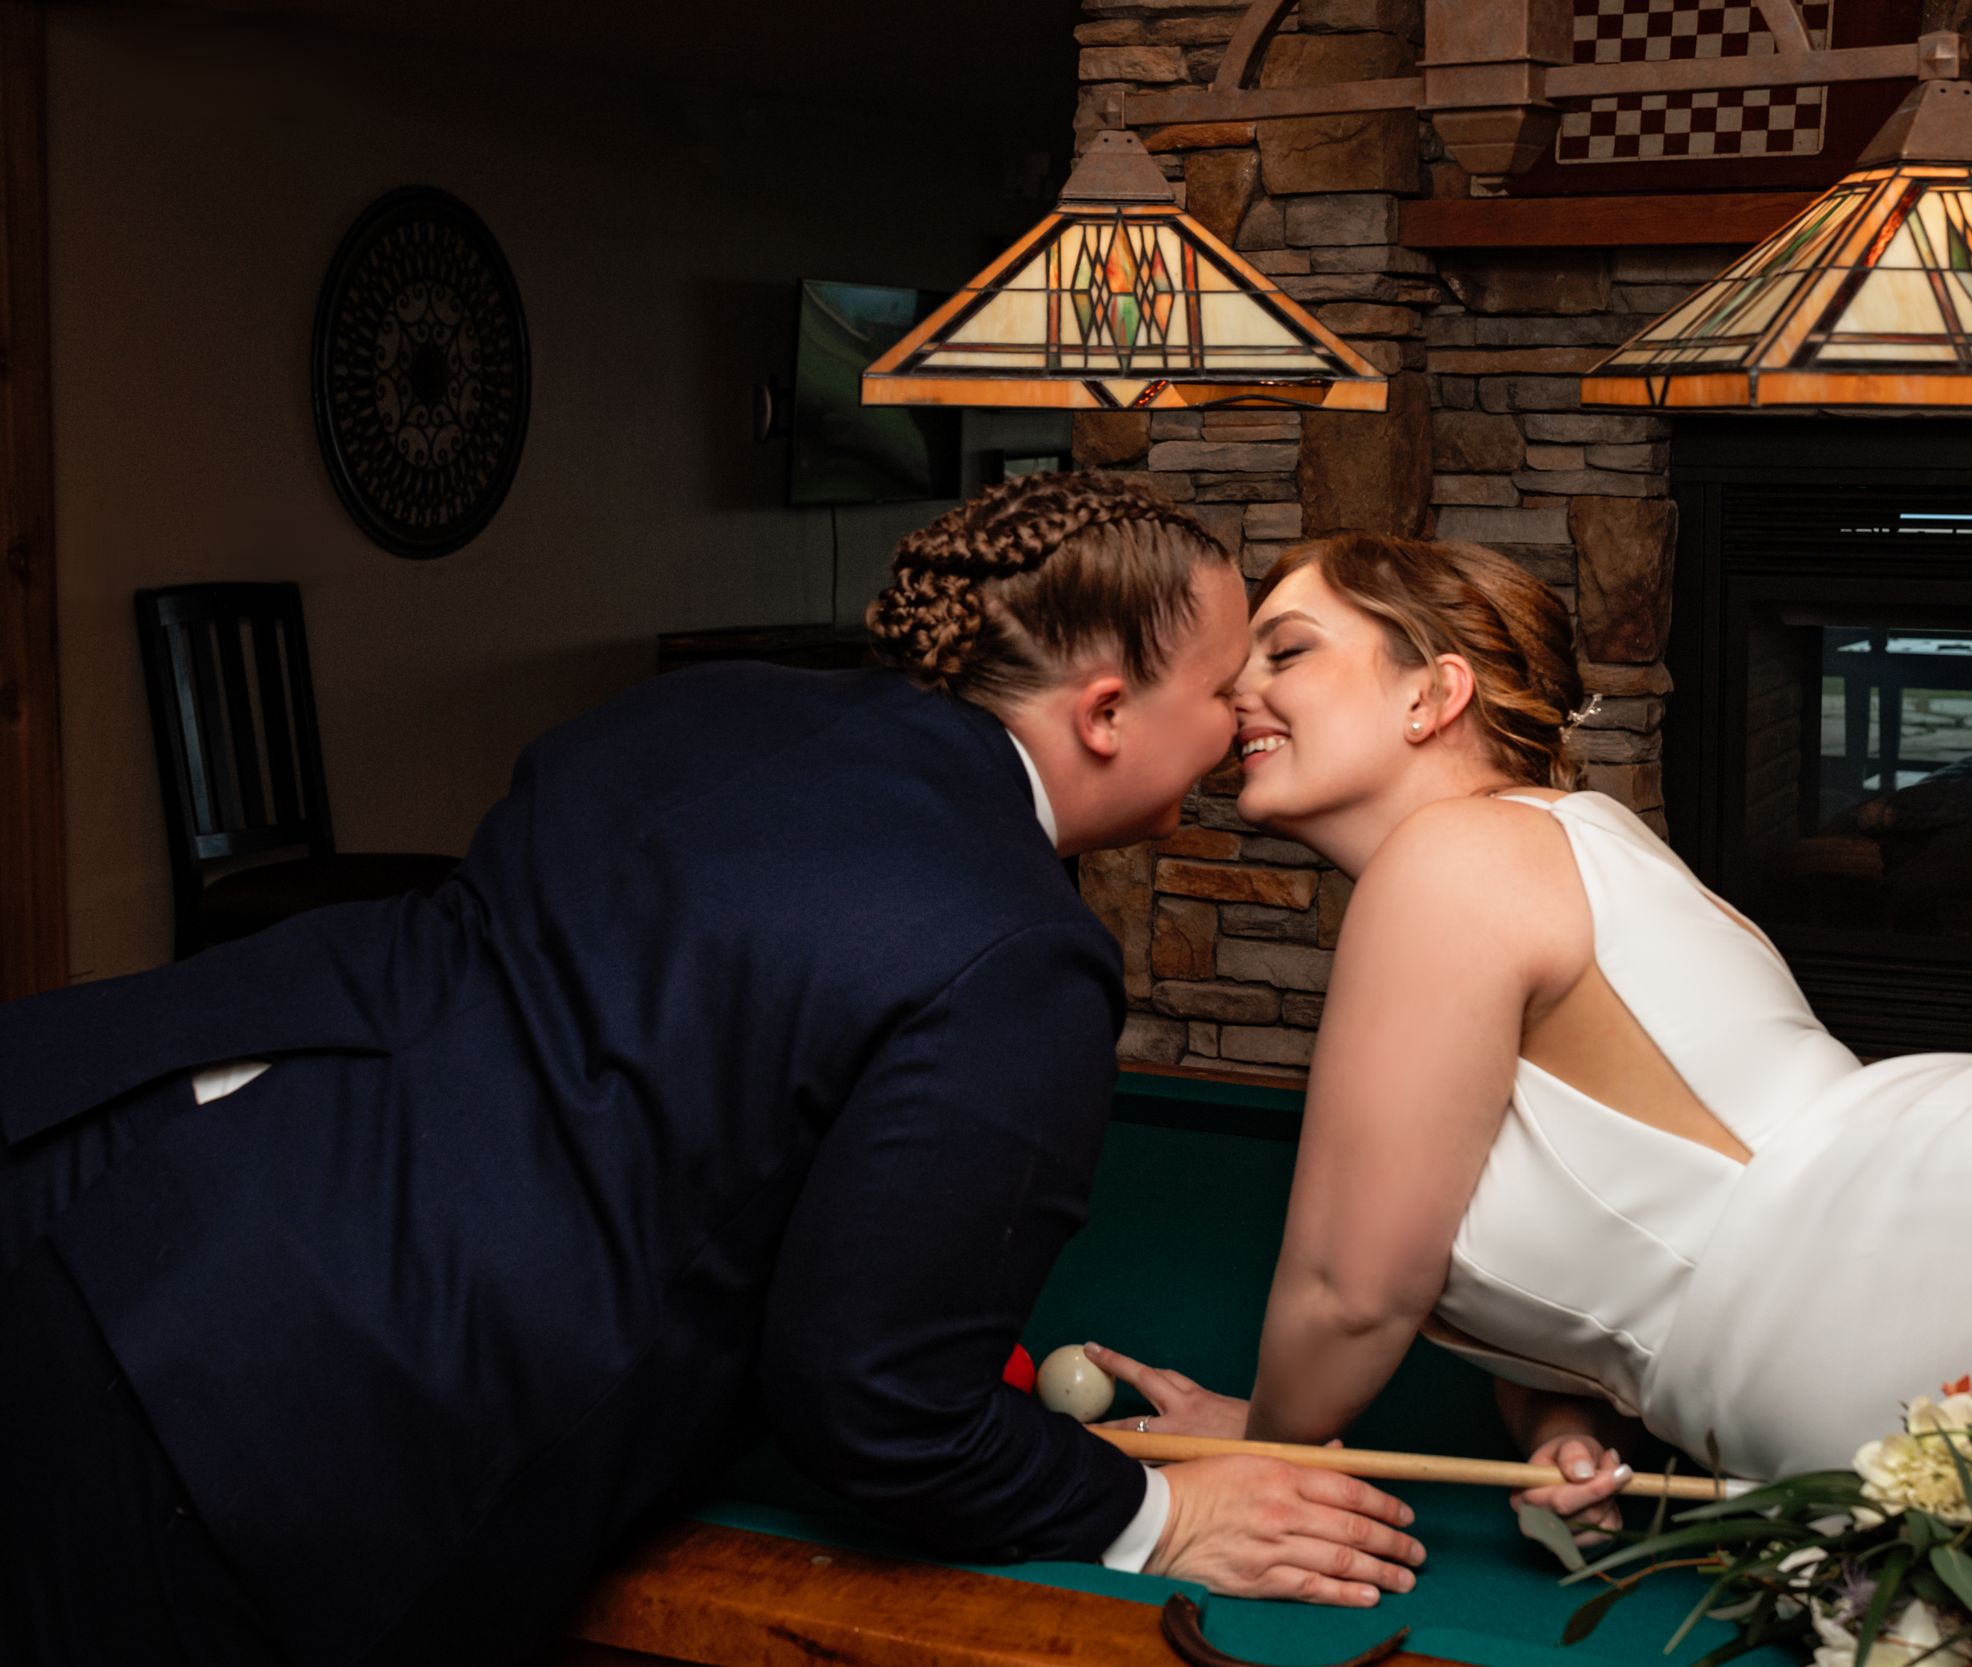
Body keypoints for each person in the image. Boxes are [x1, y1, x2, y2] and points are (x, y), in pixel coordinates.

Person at [0, 474, 1423, 1667]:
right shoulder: (1022, 953)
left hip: (89, 1145)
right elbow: (880, 1404)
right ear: (1106, 713)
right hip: (263, 1398)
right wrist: (1156, 1518)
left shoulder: (707, 704)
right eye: (1224, 687)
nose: (1247, 714)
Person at [1087, 531, 1972, 1667]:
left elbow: (1353, 1289)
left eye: (1287, 650)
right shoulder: (1558, 848)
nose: (1238, 695)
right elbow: (1629, 1235)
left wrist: (1257, 1444)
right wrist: (1568, 1431)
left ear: (1431, 693)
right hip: (1965, 1244)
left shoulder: (1450, 859)